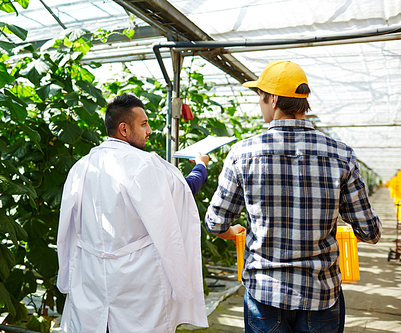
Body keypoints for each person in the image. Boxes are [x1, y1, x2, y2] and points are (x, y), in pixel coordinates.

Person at [205, 60, 382, 333]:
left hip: (265, 293)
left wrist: (231, 233)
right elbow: (370, 231)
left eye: (260, 97)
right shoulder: (340, 154)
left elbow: (216, 223)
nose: (260, 104)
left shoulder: (243, 154)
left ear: (273, 99)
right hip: (321, 293)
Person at [56, 94, 209, 332]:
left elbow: (65, 230)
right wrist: (201, 167)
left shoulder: (81, 167)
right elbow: (182, 193)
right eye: (144, 123)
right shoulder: (143, 165)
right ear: (124, 129)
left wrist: (66, 278)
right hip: (137, 284)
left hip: (89, 279)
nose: (150, 130)